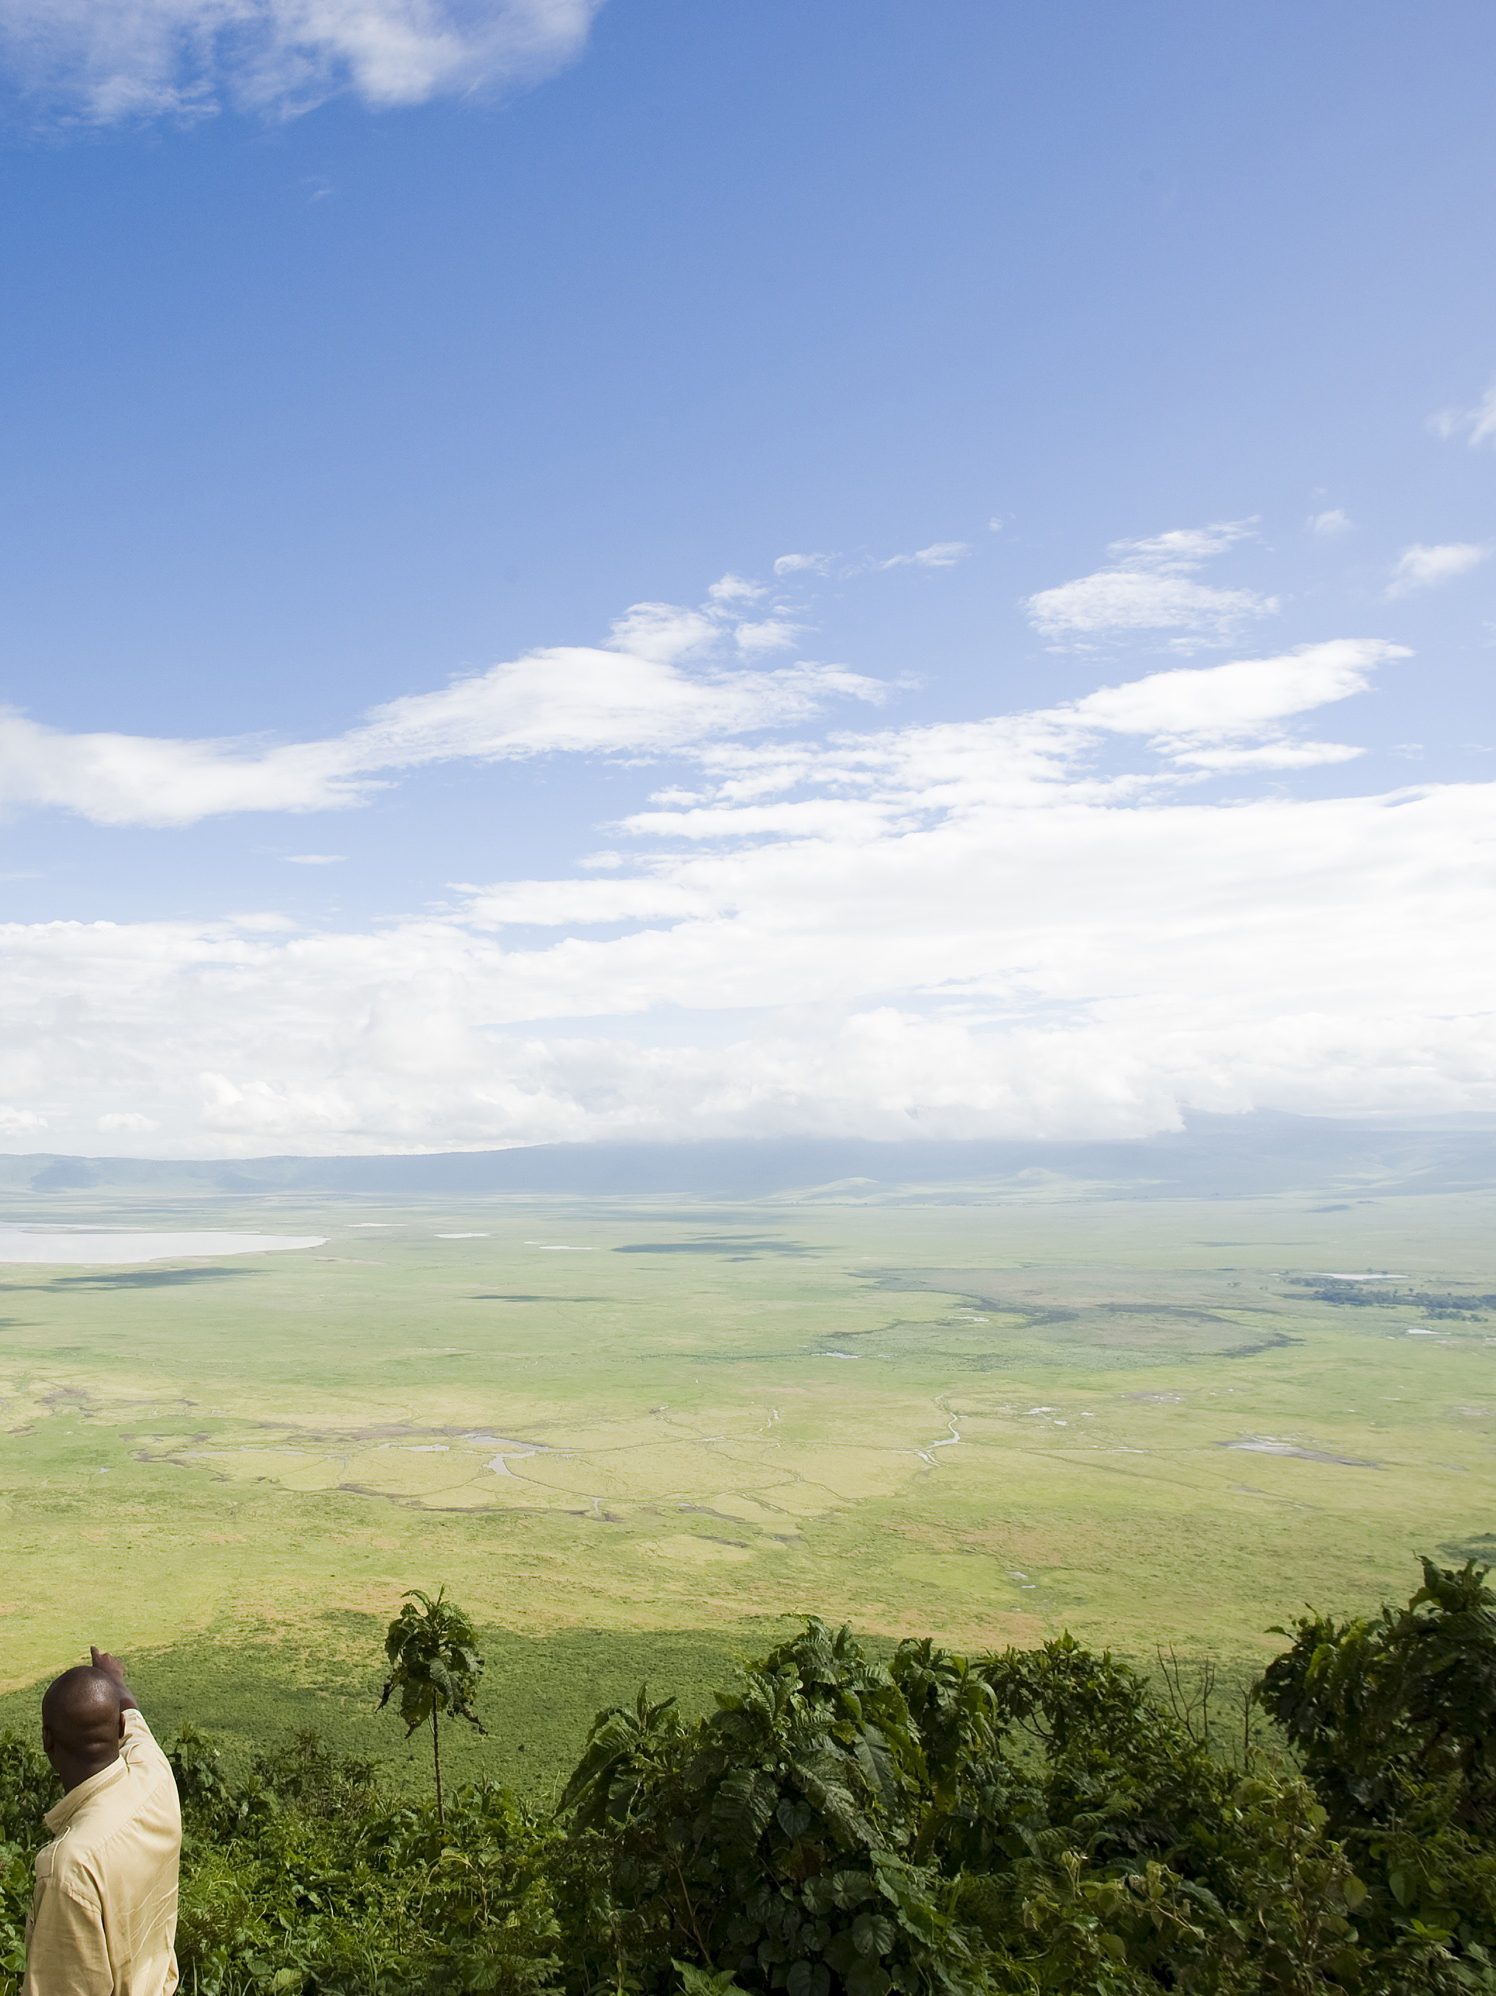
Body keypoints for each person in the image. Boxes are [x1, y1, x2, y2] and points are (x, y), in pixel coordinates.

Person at [22, 1646, 181, 1996]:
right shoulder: (155, 1776)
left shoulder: (69, 1867)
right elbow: (134, 1718)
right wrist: (114, 1680)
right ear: (119, 1727)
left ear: (47, 1740)